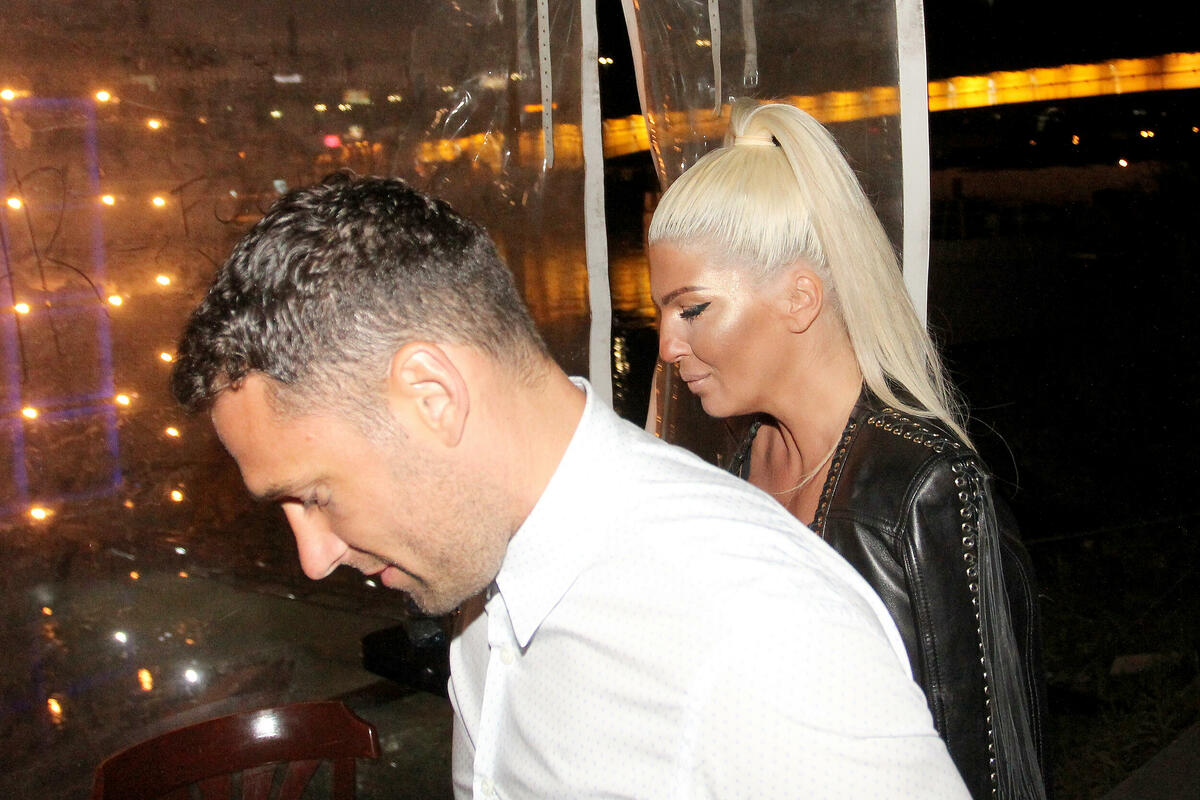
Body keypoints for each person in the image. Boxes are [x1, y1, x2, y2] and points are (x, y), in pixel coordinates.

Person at [171, 172, 970, 798]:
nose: (313, 559)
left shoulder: (758, 632)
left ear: (432, 396)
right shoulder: (478, 564)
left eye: (314, 495)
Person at [647, 99, 1047, 799]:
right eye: (662, 312)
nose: (667, 345)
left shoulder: (922, 488)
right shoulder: (742, 464)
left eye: (692, 308)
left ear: (799, 298)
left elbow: (984, 763)